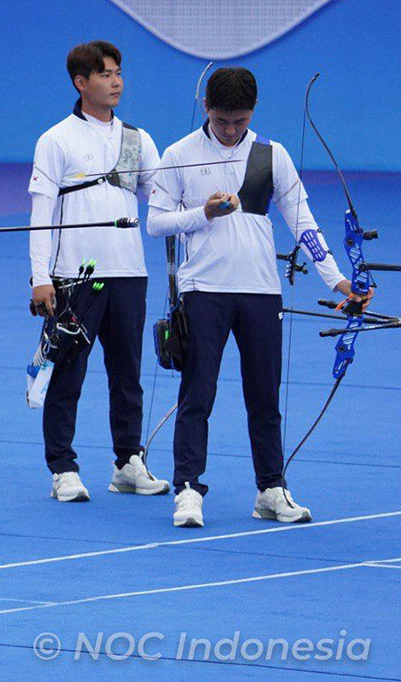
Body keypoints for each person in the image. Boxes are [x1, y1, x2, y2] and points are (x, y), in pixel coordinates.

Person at [147, 67, 363, 527]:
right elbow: (157, 222)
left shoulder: (272, 154)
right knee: (198, 393)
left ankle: (270, 489)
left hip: (261, 290)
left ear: (254, 112)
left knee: (264, 397)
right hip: (204, 290)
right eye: (222, 120)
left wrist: (337, 281)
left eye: (240, 121)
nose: (230, 130)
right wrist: (203, 213)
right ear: (206, 107)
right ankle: (188, 489)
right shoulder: (179, 154)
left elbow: (303, 222)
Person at [28, 40, 169, 503]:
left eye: (119, 73)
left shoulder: (137, 139)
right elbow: (41, 212)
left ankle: (128, 462)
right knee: (67, 374)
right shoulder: (56, 139)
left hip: (129, 272)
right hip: (75, 277)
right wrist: (40, 277)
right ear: (81, 82)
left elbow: (162, 199)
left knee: (127, 374)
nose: (116, 82)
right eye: (105, 74)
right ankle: (62, 468)